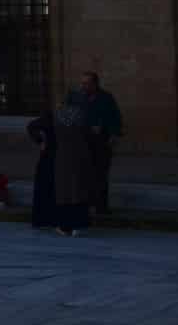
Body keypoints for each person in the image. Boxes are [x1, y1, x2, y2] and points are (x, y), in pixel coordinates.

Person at [27, 101, 93, 236]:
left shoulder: (58, 117)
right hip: (69, 160)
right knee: (72, 192)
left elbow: (33, 127)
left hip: (60, 160)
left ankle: (62, 224)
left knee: (64, 193)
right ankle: (72, 224)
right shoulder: (79, 118)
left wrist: (42, 141)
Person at [68, 70, 123, 215]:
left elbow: (115, 118)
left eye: (87, 83)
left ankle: (101, 207)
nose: (83, 86)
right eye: (82, 83)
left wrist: (112, 133)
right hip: (82, 143)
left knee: (100, 175)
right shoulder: (76, 97)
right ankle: (85, 205)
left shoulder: (106, 98)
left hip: (101, 143)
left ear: (95, 84)